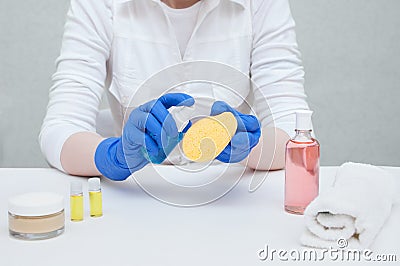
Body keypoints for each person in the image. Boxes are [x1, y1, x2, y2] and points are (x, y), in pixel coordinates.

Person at [39, 0, 311, 181]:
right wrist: (112, 155)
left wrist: (253, 147)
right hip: (135, 199)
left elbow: (295, 128)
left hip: (230, 195)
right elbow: (60, 128)